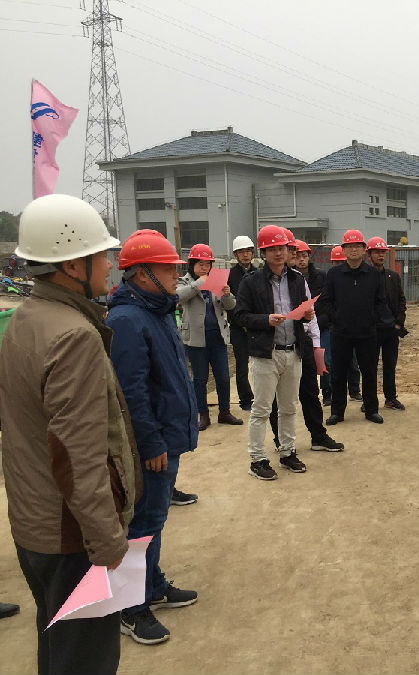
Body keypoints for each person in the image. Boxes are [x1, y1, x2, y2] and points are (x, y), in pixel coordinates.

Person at [0, 194, 140, 672]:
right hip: (71, 536)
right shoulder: (74, 335)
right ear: (72, 265)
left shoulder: (27, 317)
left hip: (35, 523)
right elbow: (78, 455)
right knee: (85, 659)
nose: (110, 264)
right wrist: (107, 543)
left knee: (60, 648)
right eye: (102, 255)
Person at [105, 229, 199, 646]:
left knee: (155, 518)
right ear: (142, 274)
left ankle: (153, 585)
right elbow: (131, 393)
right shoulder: (127, 320)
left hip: (166, 435)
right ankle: (130, 608)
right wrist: (151, 443)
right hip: (152, 444)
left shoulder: (156, 310)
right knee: (142, 522)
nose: (177, 275)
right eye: (168, 269)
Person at [234, 225, 318, 480]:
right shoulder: (251, 282)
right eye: (272, 249)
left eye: (282, 248)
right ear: (263, 252)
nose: (278, 253)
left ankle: (287, 452)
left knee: (289, 407)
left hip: (293, 352)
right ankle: (257, 459)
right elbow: (240, 315)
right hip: (266, 354)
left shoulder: (297, 280)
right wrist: (265, 320)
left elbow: (303, 312)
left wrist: (307, 316)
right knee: (261, 409)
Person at [268, 231, 343, 454]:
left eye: (294, 250)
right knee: (277, 398)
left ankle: (318, 436)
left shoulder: (299, 280)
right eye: (290, 250)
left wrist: (316, 344)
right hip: (274, 346)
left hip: (302, 343)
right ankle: (281, 440)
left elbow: (311, 315)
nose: (293, 254)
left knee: (309, 392)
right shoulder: (261, 280)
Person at [318, 229, 393, 426]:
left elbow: (380, 301)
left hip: (367, 333)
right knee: (338, 373)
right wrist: (336, 318)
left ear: (364, 249)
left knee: (369, 372)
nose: (353, 250)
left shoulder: (373, 274)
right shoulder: (334, 274)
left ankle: (371, 410)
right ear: (343, 250)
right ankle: (337, 412)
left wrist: (373, 320)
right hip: (341, 333)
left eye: (357, 246)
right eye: (349, 246)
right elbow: (326, 301)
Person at [177, 243, 243, 431]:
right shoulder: (184, 281)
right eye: (201, 264)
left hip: (217, 336)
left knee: (223, 376)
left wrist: (227, 295)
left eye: (208, 264)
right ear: (192, 264)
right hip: (196, 338)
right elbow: (178, 296)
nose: (205, 268)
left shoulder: (217, 281)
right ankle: (203, 415)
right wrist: (200, 282)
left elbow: (230, 306)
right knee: (200, 378)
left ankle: (224, 411)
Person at [367, 236, 407, 411]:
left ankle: (390, 398)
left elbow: (401, 301)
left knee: (390, 366)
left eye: (383, 252)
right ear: (369, 255)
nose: (381, 255)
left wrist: (398, 324)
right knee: (370, 367)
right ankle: (369, 400)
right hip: (371, 330)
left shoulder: (393, 276)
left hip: (391, 330)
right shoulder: (364, 277)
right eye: (377, 252)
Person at [319, 245, 362, 405]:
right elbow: (324, 302)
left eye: (340, 262)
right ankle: (328, 393)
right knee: (327, 361)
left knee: (352, 361)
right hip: (328, 326)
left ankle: (354, 390)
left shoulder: (353, 279)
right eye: (335, 262)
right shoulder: (329, 278)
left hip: (349, 327)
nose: (338, 265)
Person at [227, 235, 259, 411]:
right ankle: (245, 400)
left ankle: (262, 397)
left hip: (257, 325)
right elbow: (229, 304)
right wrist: (242, 323)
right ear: (235, 255)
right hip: (238, 327)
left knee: (261, 364)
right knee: (241, 366)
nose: (245, 255)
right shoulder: (229, 276)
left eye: (248, 251)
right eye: (241, 252)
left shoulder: (259, 273)